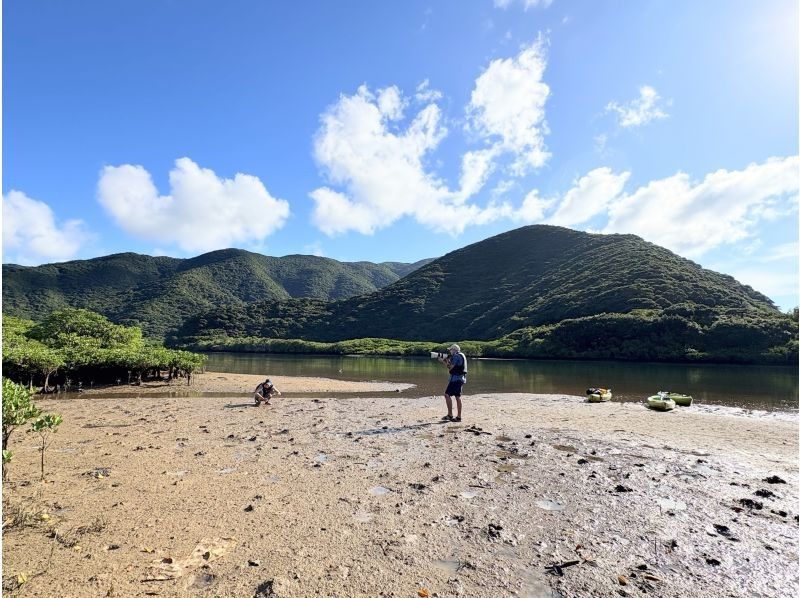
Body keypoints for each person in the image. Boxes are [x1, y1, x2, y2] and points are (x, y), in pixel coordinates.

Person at [440, 344, 467, 422]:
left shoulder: (456, 356)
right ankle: (458, 417)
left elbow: (450, 368)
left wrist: (444, 362)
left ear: (454, 350)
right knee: (457, 397)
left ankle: (450, 415)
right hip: (461, 379)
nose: (450, 352)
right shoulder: (461, 355)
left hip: (456, 379)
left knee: (447, 395)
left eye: (450, 350)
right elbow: (454, 367)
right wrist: (447, 361)